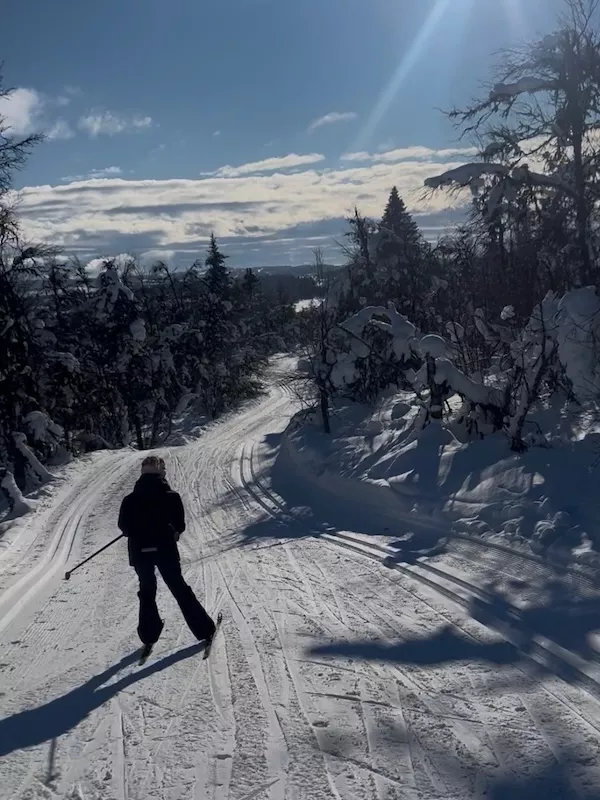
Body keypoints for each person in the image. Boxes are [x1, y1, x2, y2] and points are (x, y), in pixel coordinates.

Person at [118, 455, 216, 648]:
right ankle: (204, 630)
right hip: (165, 551)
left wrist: (137, 528)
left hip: (139, 552)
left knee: (147, 590)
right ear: (161, 472)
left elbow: (124, 528)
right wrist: (171, 531)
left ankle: (149, 635)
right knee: (178, 587)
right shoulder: (171, 497)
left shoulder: (129, 500)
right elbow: (180, 525)